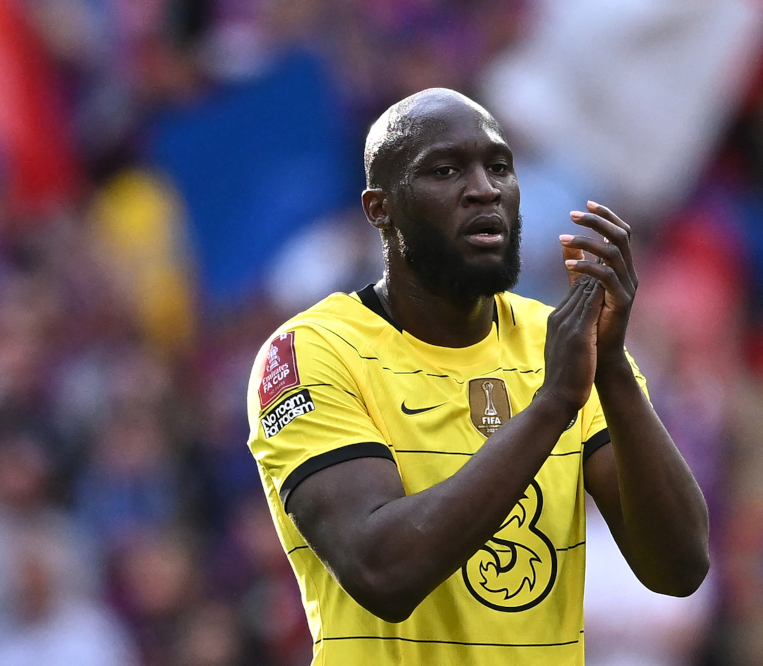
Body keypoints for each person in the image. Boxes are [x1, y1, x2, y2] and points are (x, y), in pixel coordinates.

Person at [245, 88, 709, 665]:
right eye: (444, 170)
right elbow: (382, 570)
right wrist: (553, 404)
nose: (484, 189)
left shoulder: (561, 344)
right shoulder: (312, 352)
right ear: (379, 208)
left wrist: (612, 370)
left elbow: (680, 566)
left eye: (499, 167)